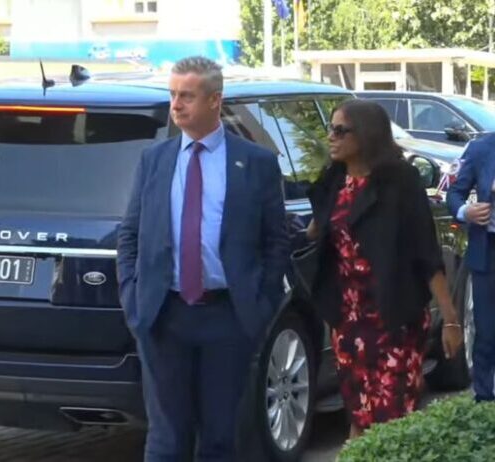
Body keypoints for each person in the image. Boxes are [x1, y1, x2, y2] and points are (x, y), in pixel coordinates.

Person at [116, 56, 289, 461]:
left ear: (215, 100)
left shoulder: (256, 163)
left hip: (228, 317)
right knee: (166, 440)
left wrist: (259, 307)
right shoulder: (154, 160)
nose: (176, 105)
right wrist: (134, 301)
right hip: (164, 315)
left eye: (187, 96)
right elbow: (130, 234)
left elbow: (275, 242)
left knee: (220, 438)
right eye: (173, 95)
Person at [306, 99, 463, 438]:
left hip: (394, 318)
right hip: (348, 320)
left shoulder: (400, 182)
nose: (331, 137)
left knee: (392, 416)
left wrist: (450, 320)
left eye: (340, 130)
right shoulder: (334, 179)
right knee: (357, 411)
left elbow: (427, 254)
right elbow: (317, 232)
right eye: (330, 129)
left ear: (366, 134)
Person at [447, 134, 495, 403]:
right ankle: (484, 401)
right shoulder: (481, 149)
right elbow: (454, 192)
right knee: (486, 331)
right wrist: (466, 211)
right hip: (488, 251)